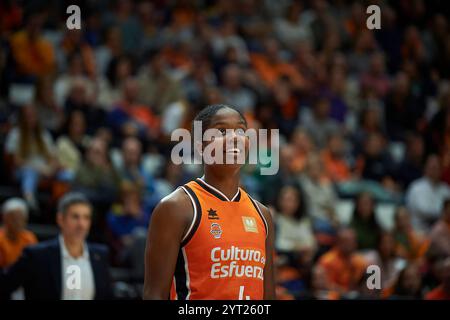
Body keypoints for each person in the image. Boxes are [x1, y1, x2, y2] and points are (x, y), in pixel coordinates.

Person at [143, 104, 275, 300]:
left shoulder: (262, 215)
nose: (234, 139)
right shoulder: (176, 208)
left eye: (240, 131)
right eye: (222, 131)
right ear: (200, 145)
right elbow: (154, 294)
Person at [0, 193, 113, 300]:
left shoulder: (100, 255)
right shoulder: (37, 255)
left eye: (86, 217)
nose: (81, 224)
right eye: (75, 217)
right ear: (60, 219)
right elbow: (5, 285)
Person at [406, 154, 450, 231]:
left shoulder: (445, 189)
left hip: (442, 230)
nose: (435, 170)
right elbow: (423, 210)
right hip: (419, 229)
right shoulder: (416, 187)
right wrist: (442, 214)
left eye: (437, 167)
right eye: (432, 167)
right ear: (425, 168)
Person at [317, 228, 368, 294]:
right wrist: (347, 293)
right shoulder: (327, 261)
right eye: (346, 241)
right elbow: (325, 285)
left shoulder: (360, 261)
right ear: (338, 242)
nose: (350, 244)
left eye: (352, 241)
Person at [0, 198, 37, 268]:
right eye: (13, 218)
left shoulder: (29, 238)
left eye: (21, 219)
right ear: (4, 218)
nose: (17, 222)